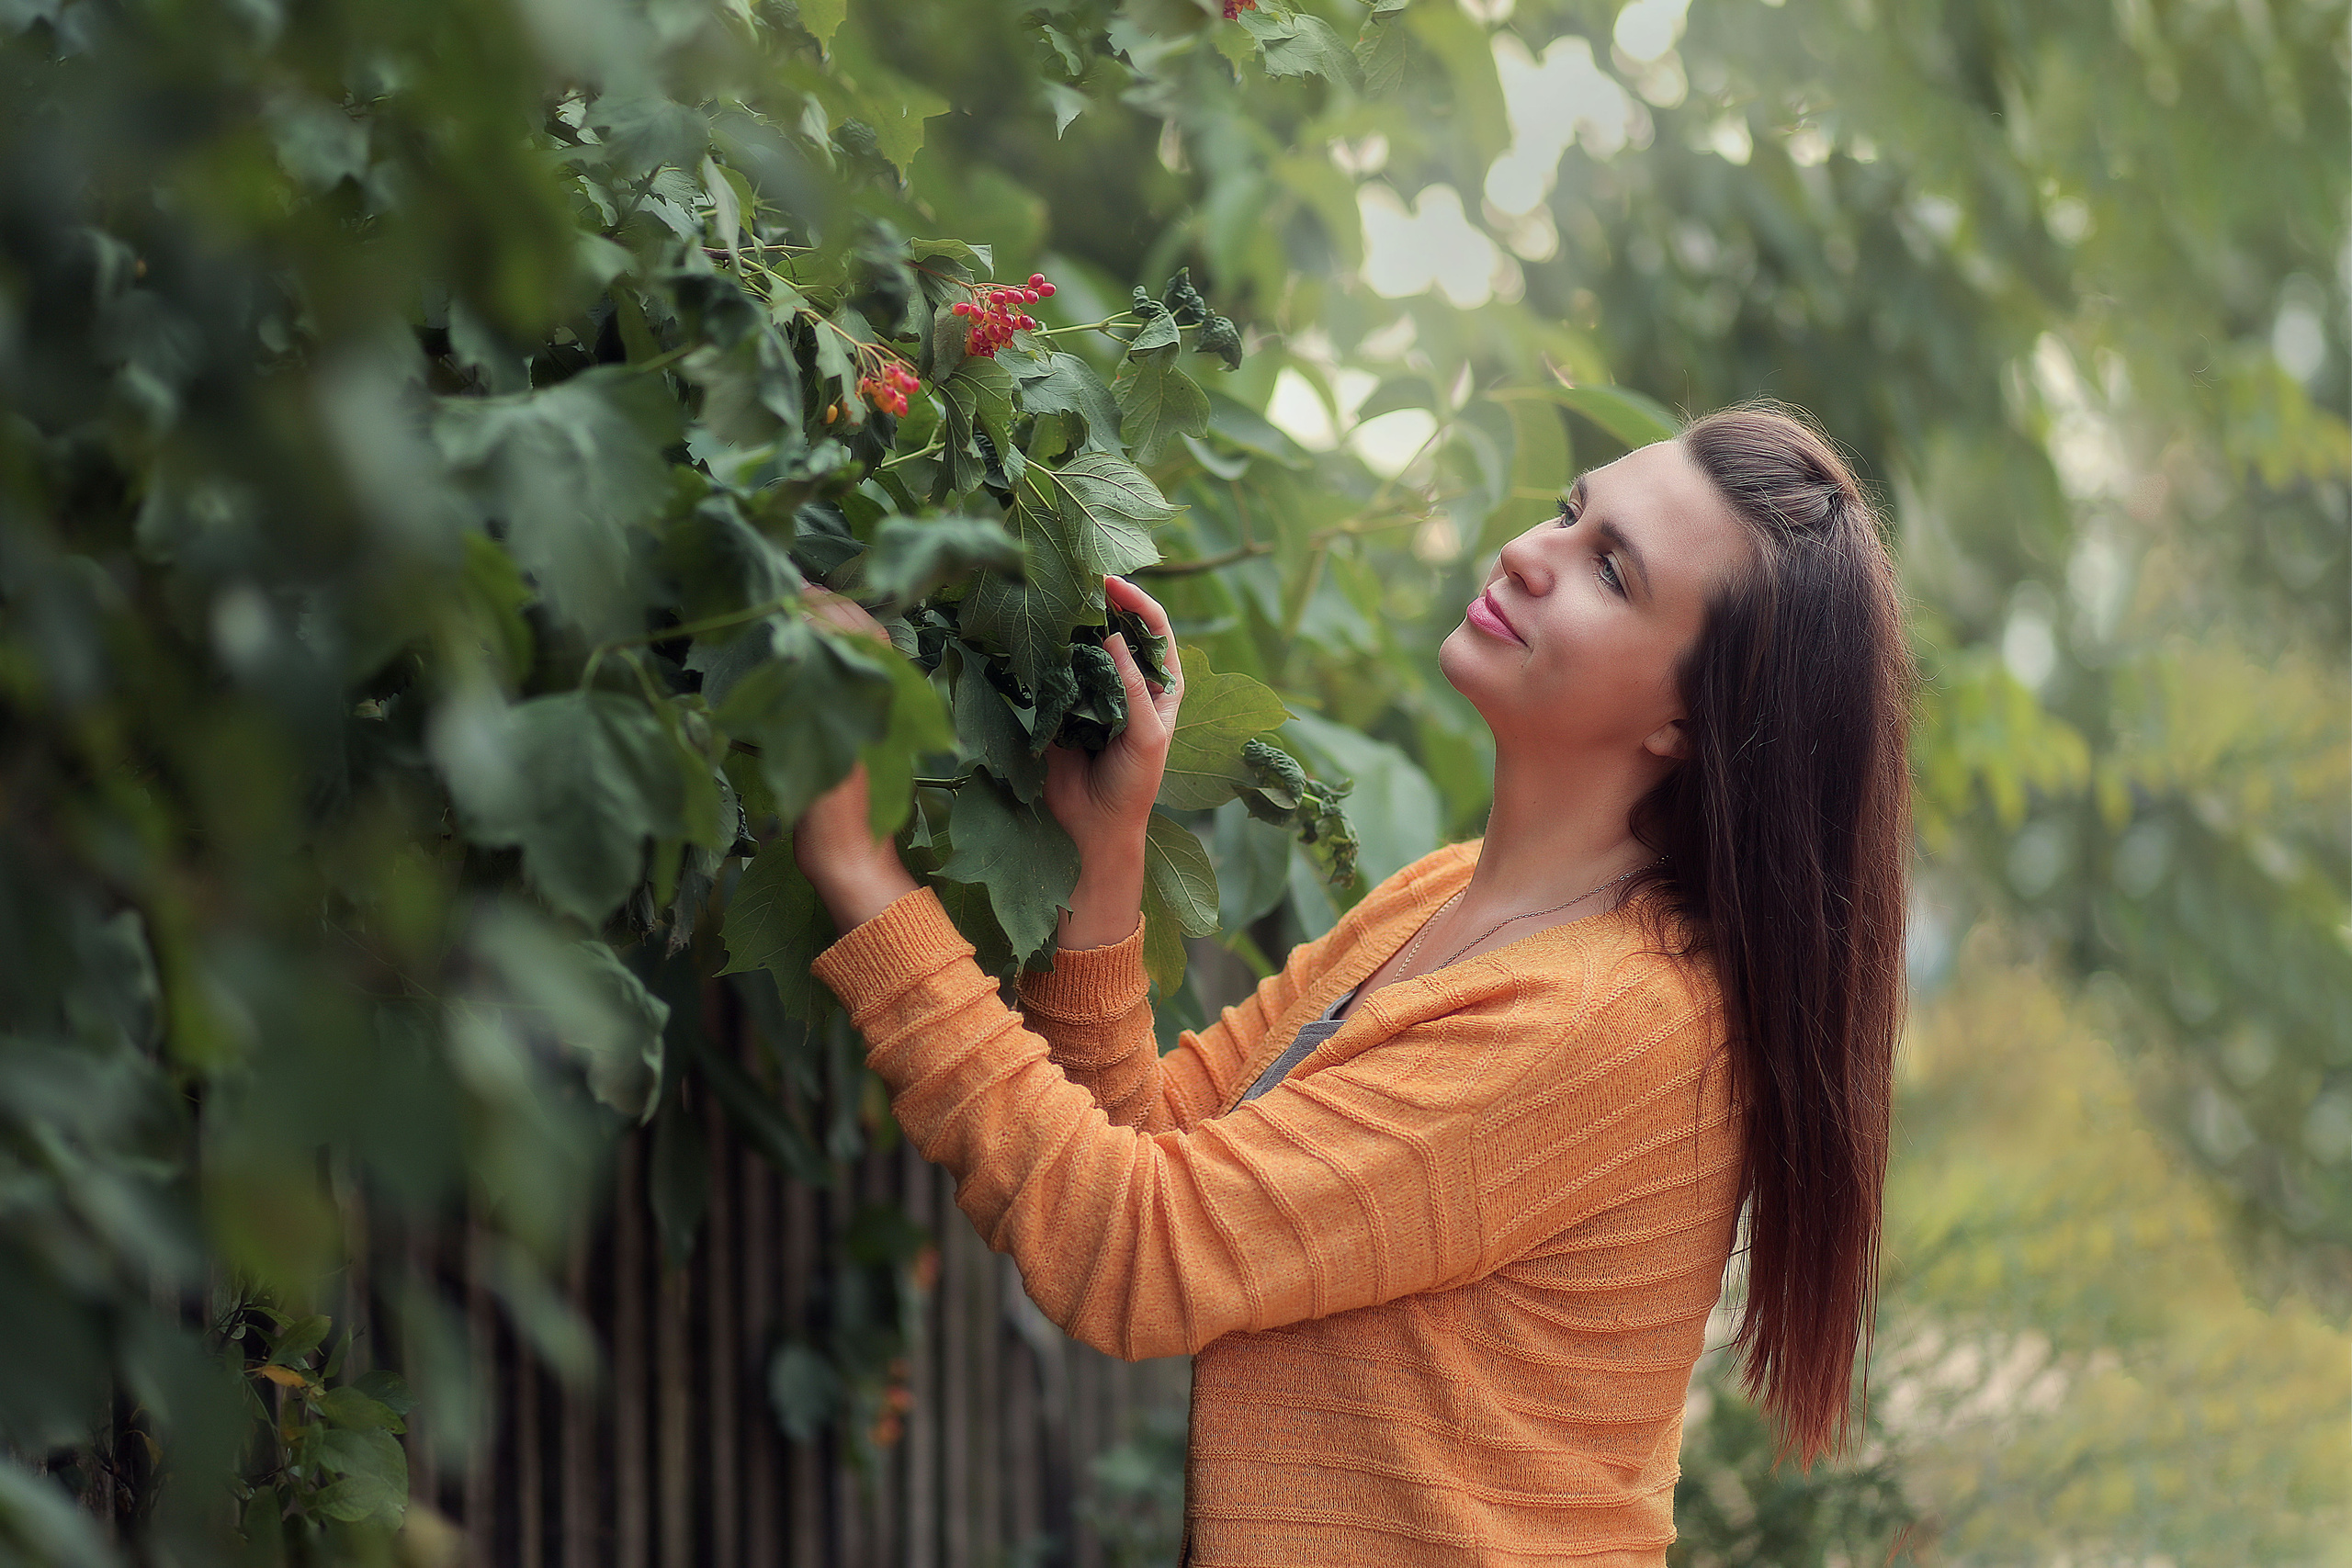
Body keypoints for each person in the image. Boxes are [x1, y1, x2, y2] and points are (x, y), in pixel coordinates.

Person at [790, 403, 1912, 1566]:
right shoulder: (1446, 899)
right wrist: (1108, 851)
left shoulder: (1607, 1020)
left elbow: (1130, 1251)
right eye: (1570, 511)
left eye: (1609, 573)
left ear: (1689, 719)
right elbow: (1157, 1145)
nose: (1530, 553)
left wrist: (858, 869)